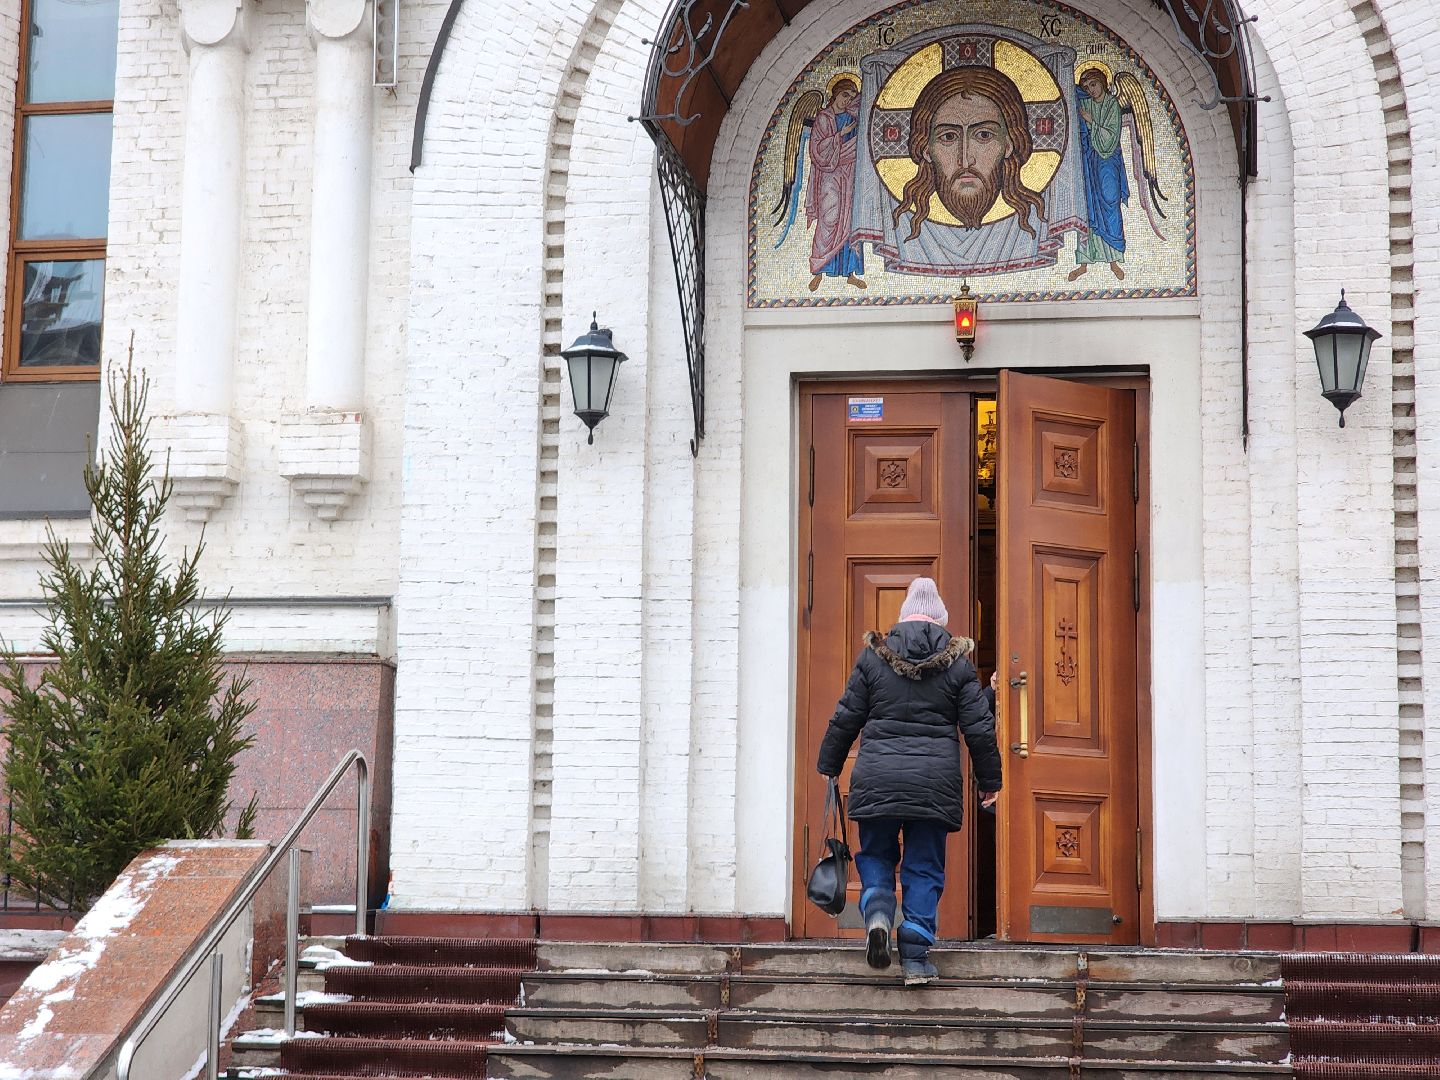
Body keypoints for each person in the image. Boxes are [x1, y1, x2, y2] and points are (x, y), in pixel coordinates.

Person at [816, 577, 1002, 985]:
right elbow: (978, 729)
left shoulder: (873, 659)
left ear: (903, 618)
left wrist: (829, 763)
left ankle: (878, 913)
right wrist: (989, 781)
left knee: (875, 854)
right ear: (940, 620)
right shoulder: (958, 666)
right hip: (934, 784)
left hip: (877, 778)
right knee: (924, 866)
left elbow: (846, 716)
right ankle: (915, 959)